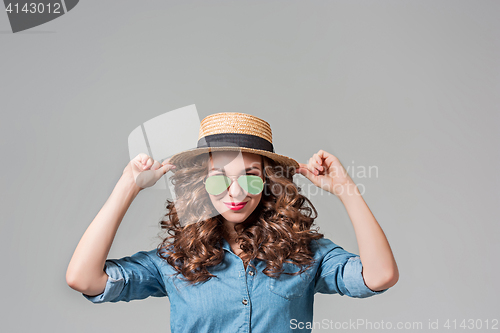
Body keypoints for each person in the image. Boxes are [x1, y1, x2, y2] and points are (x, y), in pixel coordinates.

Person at [66, 112, 399, 333]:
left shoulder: (303, 254)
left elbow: (380, 276)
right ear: (201, 182)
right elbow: (84, 279)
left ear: (268, 181)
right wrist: (128, 185)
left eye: (251, 176)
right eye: (219, 178)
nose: (236, 191)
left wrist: (346, 190)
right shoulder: (176, 260)